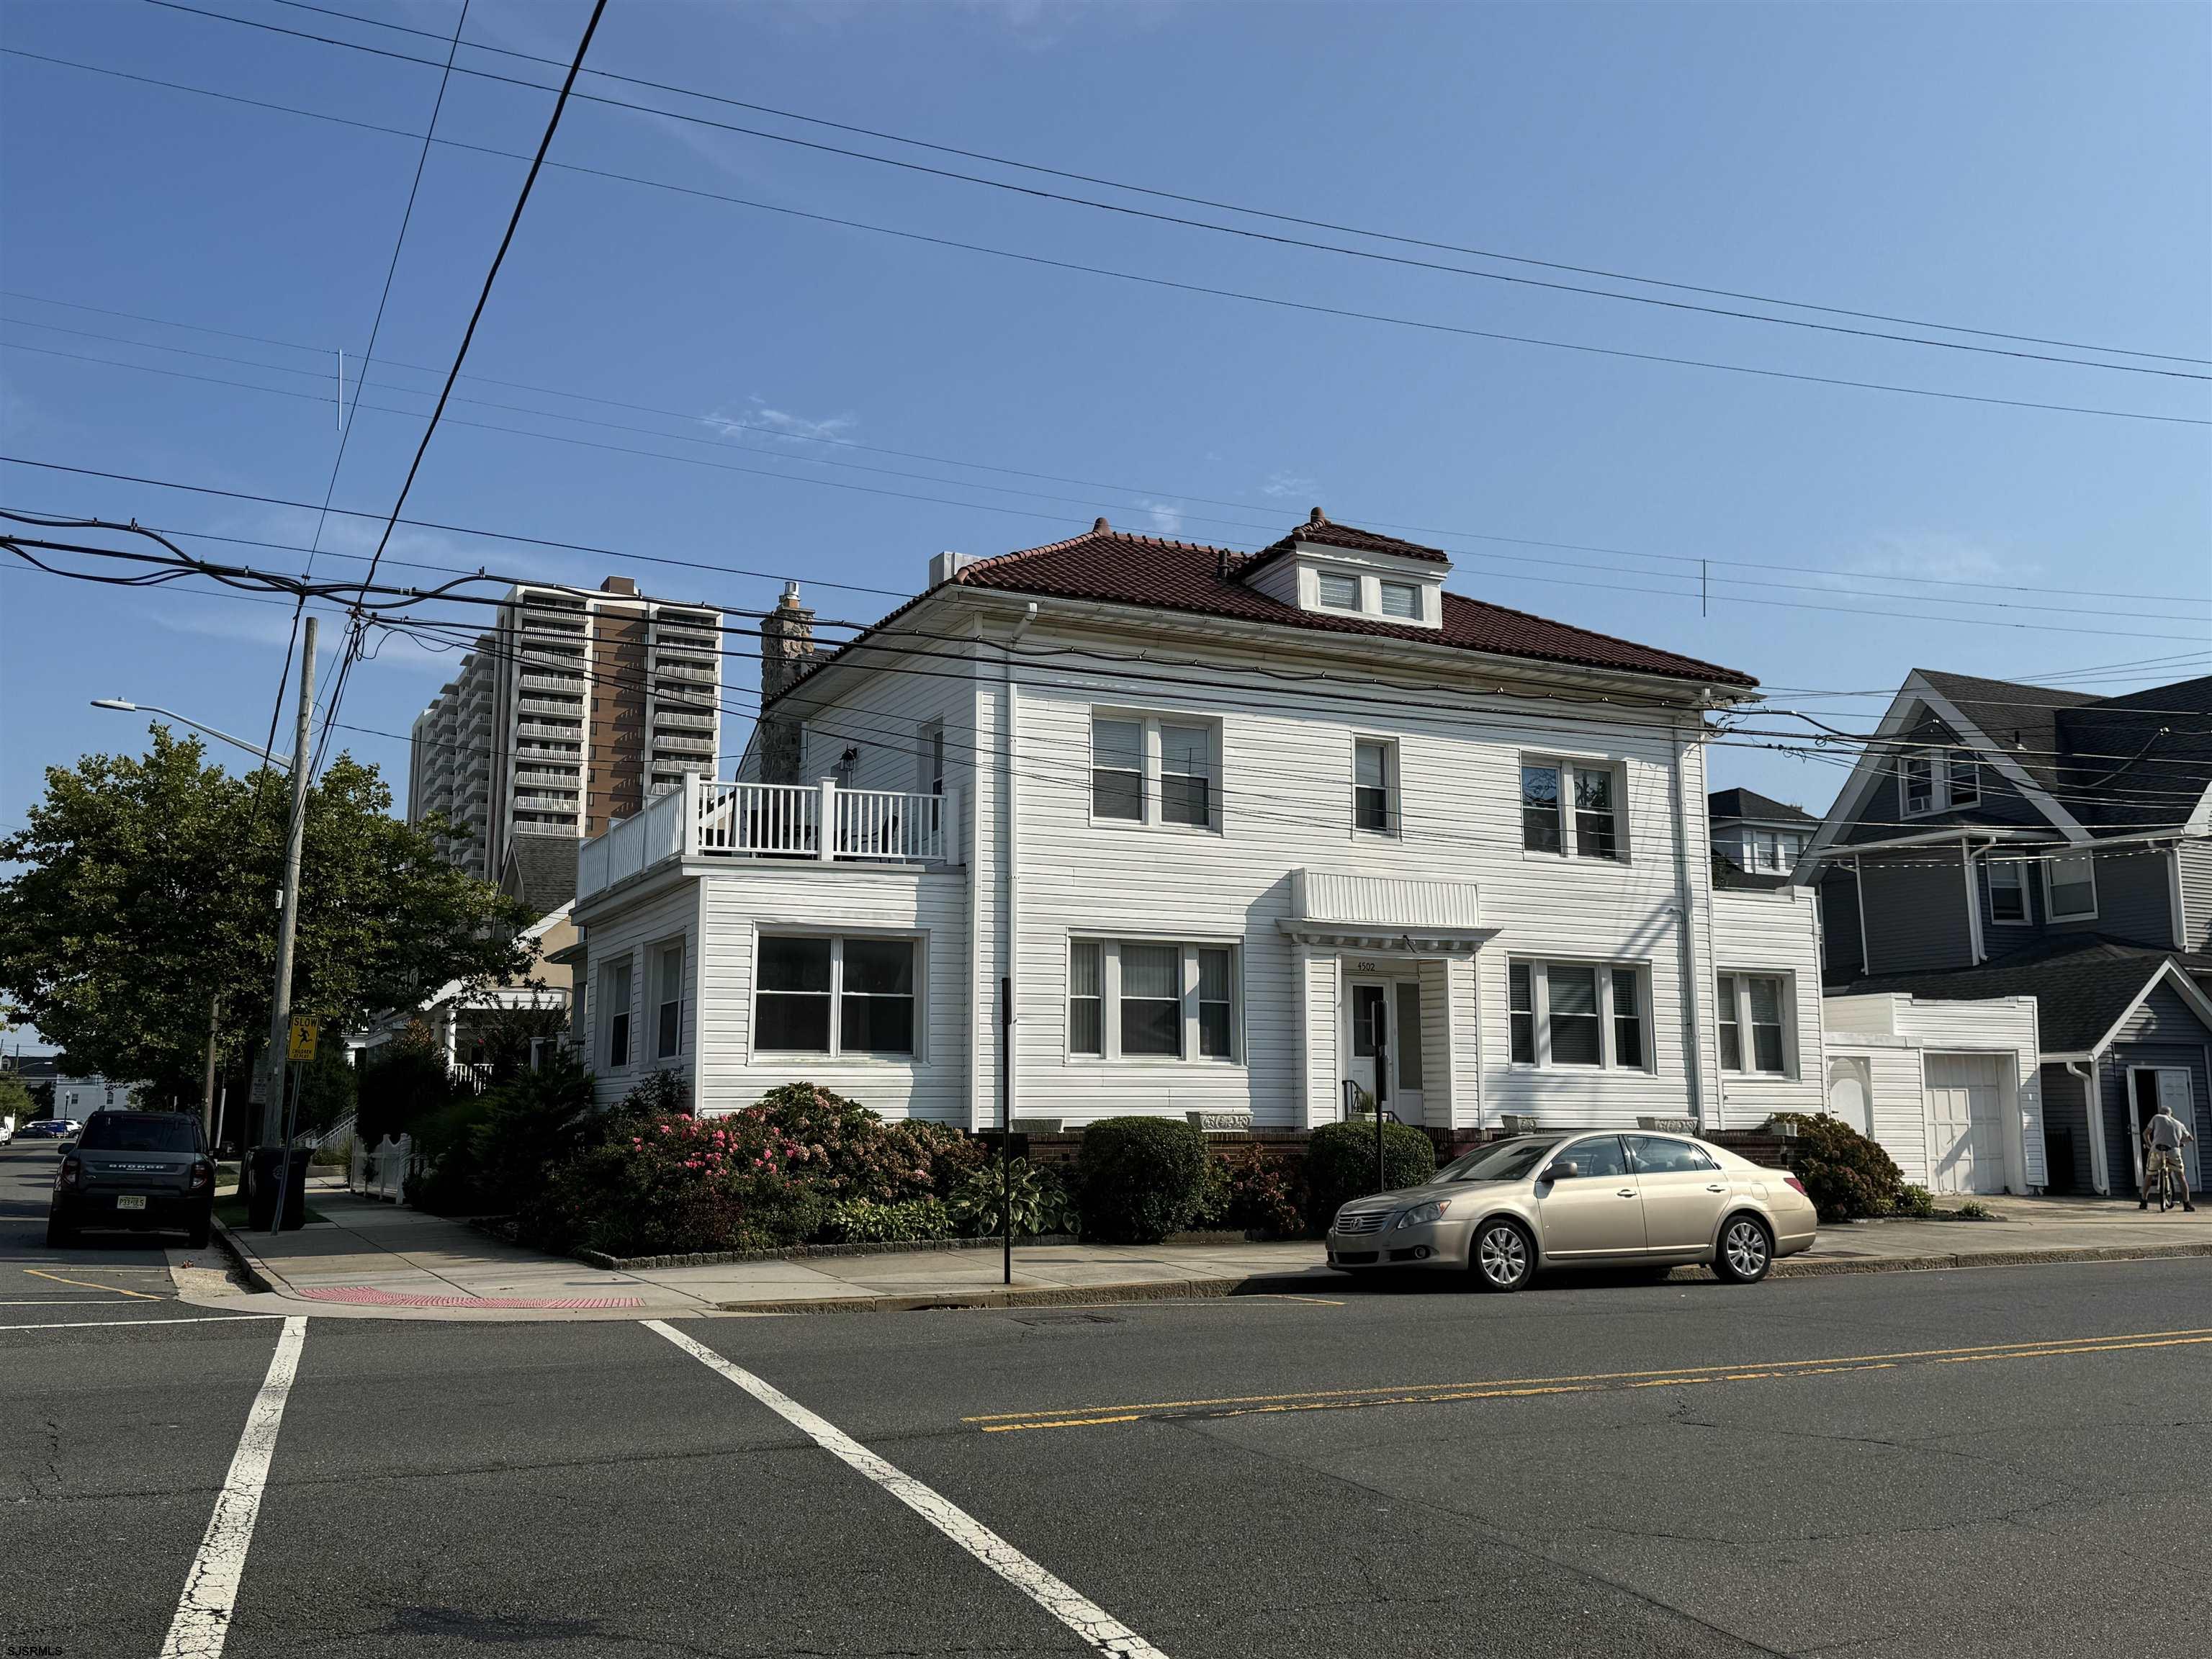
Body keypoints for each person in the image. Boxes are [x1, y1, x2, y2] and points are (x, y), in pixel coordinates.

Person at [2140, 1100, 2197, 1212]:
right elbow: (2191, 1138)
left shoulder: (2157, 1117)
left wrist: (2150, 1145)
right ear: (2171, 1114)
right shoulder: (2179, 1124)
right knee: (2181, 1177)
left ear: (2161, 1113)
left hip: (2157, 1150)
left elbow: (2145, 1133)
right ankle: (2187, 1204)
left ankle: (2144, 1201)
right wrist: (2180, 1142)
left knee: (2149, 1174)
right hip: (2173, 1151)